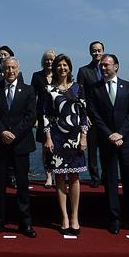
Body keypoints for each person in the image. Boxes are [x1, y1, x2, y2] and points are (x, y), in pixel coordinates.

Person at [86, 54, 129, 235]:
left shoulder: (127, 87)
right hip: (107, 141)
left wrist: (121, 133)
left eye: (106, 65)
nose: (103, 68)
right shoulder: (94, 89)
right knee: (110, 181)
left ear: (116, 66)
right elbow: (94, 114)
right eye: (101, 66)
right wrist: (109, 134)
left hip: (125, 141)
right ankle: (114, 219)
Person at [0, 57, 37, 238]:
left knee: (22, 186)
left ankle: (25, 223)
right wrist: (3, 132)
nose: (10, 71)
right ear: (2, 69)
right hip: (0, 143)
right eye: (7, 68)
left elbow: (31, 117)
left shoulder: (29, 90)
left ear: (18, 68)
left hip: (21, 144)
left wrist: (14, 134)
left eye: (13, 68)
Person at [42, 54, 89, 236]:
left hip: (75, 137)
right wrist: (47, 138)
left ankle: (75, 216)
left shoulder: (78, 88)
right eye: (59, 65)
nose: (62, 68)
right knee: (60, 178)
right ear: (55, 68)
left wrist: (84, 137)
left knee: (74, 177)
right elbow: (45, 114)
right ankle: (64, 217)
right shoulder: (48, 89)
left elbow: (84, 114)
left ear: (69, 68)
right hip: (56, 137)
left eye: (65, 65)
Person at [76, 41, 104, 187]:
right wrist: (84, 116)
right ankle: (95, 177)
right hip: (91, 117)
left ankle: (107, 176)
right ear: (90, 52)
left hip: (107, 117)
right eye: (94, 50)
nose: (97, 53)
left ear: (103, 51)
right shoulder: (84, 71)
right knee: (92, 150)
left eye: (99, 50)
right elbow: (81, 95)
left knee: (107, 149)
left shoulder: (108, 68)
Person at [30, 49, 56, 188]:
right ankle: (48, 176)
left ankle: (59, 175)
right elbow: (32, 98)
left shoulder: (61, 74)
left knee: (58, 146)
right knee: (46, 147)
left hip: (59, 116)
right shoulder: (37, 76)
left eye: (52, 59)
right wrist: (34, 118)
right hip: (42, 116)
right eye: (47, 59)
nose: (49, 62)